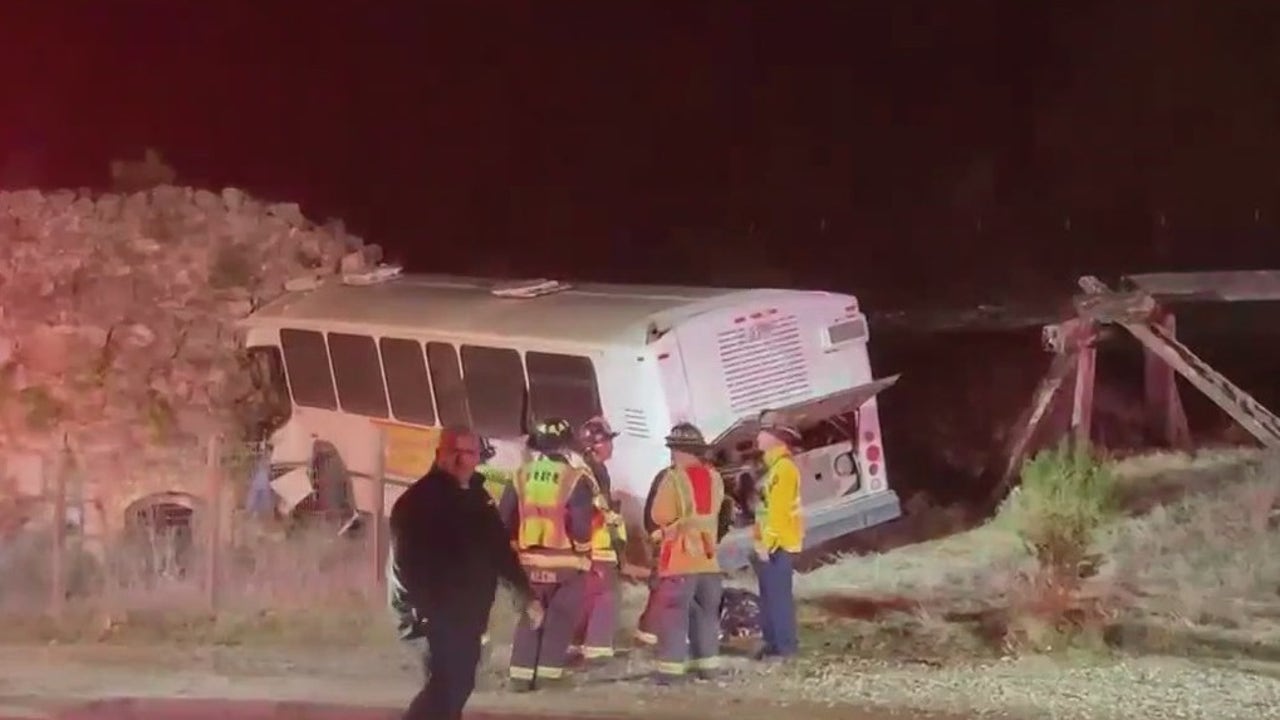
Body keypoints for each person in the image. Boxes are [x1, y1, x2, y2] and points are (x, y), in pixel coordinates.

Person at [388, 426, 544, 720]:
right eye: (456, 453)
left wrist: (524, 595)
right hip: (432, 613)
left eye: (470, 453)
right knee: (448, 685)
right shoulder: (419, 502)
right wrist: (426, 609)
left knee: (457, 686)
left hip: (465, 613)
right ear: (440, 455)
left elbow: (499, 550)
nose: (464, 461)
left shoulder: (476, 498)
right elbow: (408, 563)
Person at [497, 418, 596, 691]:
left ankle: (520, 676)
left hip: (528, 563)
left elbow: (504, 520)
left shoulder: (519, 475)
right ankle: (547, 679)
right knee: (559, 620)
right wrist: (585, 555)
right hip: (565, 562)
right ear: (566, 448)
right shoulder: (575, 478)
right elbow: (581, 526)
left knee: (530, 615)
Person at [647, 422, 728, 684]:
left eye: (673, 449)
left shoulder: (674, 479)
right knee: (705, 617)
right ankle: (708, 667)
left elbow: (659, 515)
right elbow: (723, 514)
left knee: (673, 616)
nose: (671, 455)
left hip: (680, 561)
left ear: (680, 451)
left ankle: (669, 672)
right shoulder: (715, 478)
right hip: (708, 561)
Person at [568, 416, 628, 664]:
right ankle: (597, 651)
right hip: (597, 544)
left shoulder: (585, 470)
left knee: (584, 598)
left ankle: (574, 647)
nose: (612, 446)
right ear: (595, 445)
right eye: (608, 441)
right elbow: (592, 510)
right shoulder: (594, 471)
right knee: (604, 597)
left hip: (587, 544)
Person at [750, 411, 804, 661]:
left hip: (777, 546)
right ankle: (772, 644)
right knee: (769, 597)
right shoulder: (773, 468)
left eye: (763, 431)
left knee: (779, 598)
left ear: (776, 436)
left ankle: (785, 648)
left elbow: (779, 513)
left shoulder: (784, 469)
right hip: (769, 544)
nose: (758, 436)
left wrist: (767, 544)